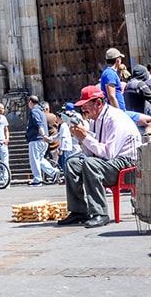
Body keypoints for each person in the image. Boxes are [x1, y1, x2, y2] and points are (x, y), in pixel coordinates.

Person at [57, 85, 142, 228]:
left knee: (90, 164)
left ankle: (100, 213)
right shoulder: (94, 120)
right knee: (72, 163)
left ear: (98, 103)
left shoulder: (115, 118)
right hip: (108, 162)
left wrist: (85, 138)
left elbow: (109, 154)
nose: (83, 110)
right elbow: (92, 152)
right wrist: (81, 139)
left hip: (127, 164)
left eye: (86, 106)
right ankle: (78, 211)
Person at [25, 95, 60, 186]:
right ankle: (54, 172)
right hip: (42, 140)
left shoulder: (34, 111)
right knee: (40, 159)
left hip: (36, 138)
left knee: (34, 159)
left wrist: (43, 134)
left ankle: (37, 179)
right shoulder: (42, 111)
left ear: (30, 102)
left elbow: (38, 123)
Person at [41, 101, 60, 166]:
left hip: (44, 141)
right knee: (55, 160)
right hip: (54, 141)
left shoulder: (39, 117)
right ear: (46, 109)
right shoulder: (52, 116)